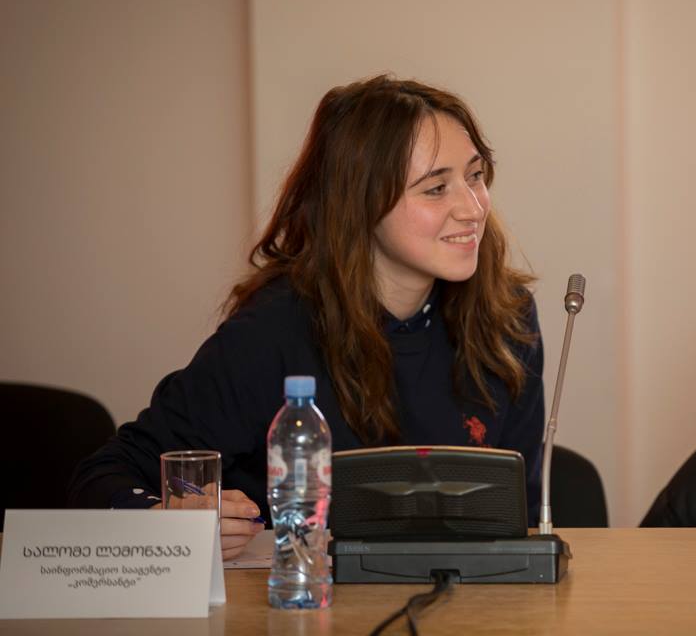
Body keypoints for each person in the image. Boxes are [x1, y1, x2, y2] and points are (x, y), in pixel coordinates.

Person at [69, 76, 544, 558]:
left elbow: (519, 515)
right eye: (436, 188)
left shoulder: (507, 317)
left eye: (476, 176)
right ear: (360, 203)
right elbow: (103, 477)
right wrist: (169, 518)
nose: (473, 208)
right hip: (301, 595)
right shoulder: (271, 332)